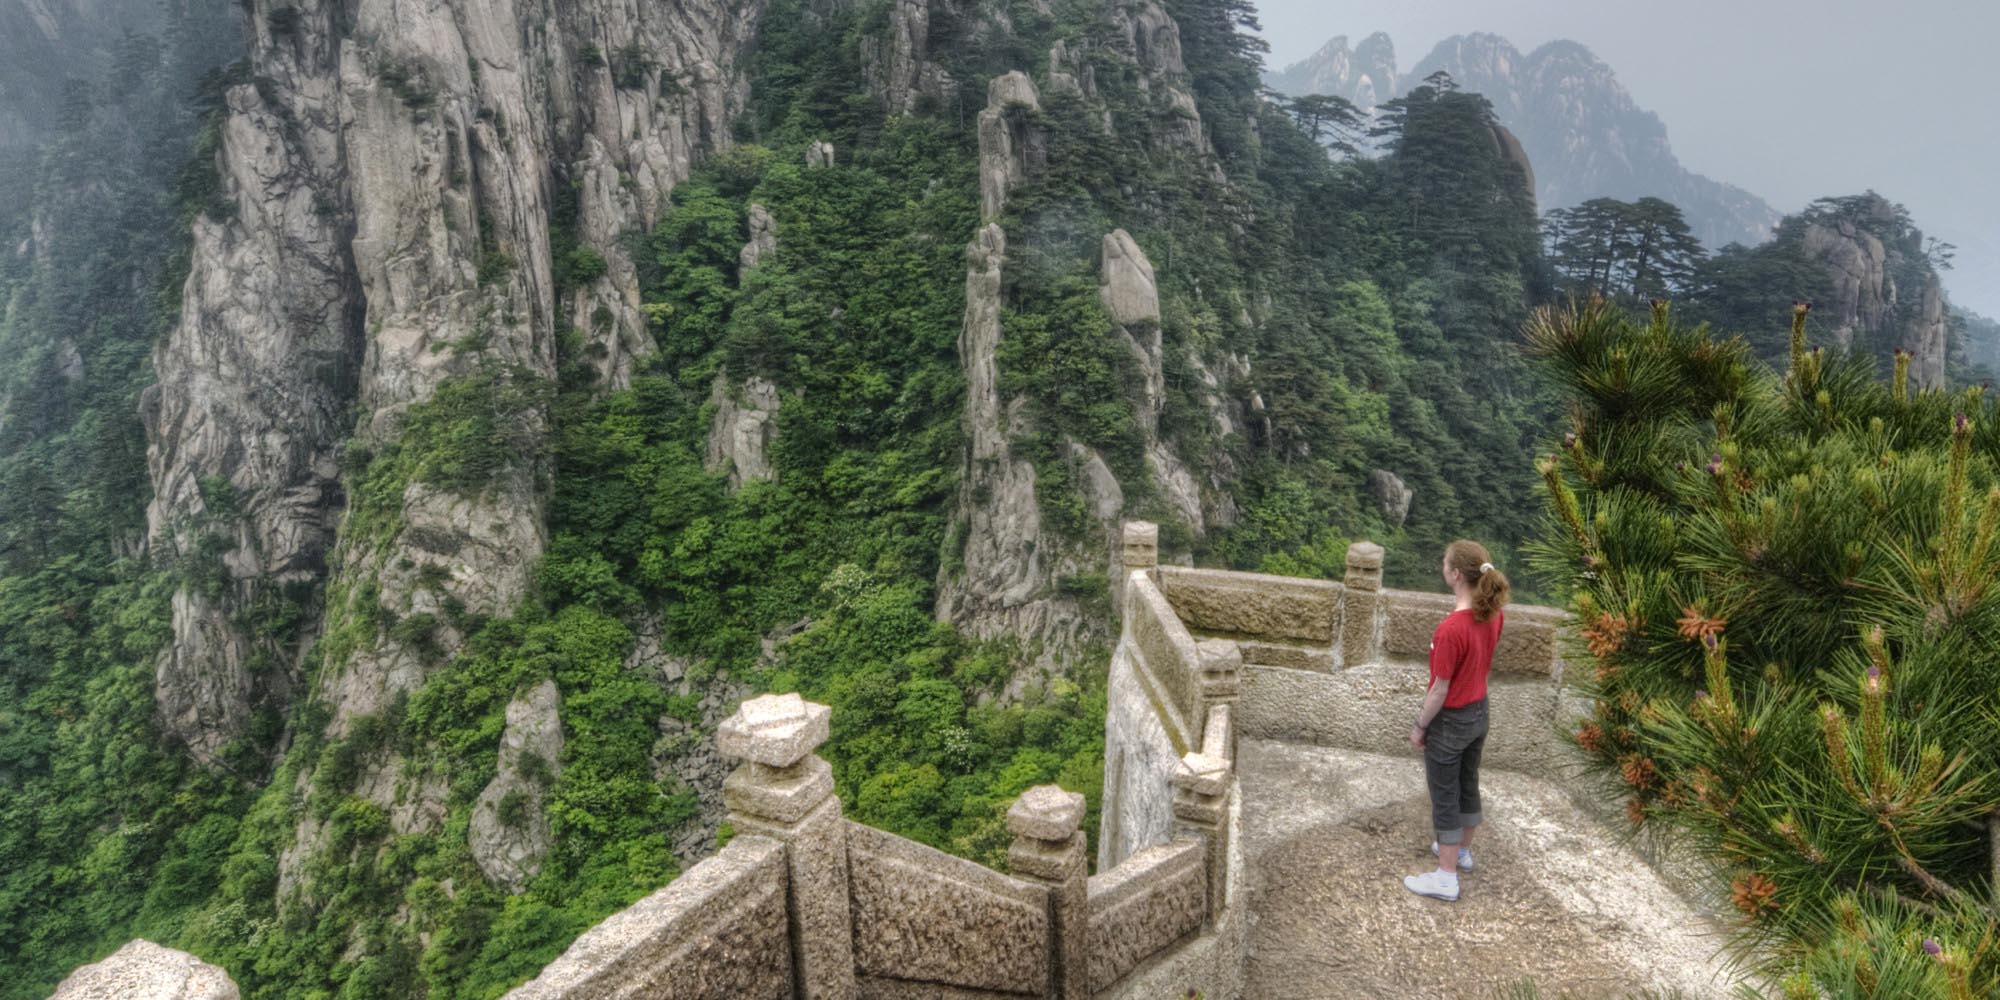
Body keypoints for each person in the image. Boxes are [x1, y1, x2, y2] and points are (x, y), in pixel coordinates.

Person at [1402, 540, 1509, 903]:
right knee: (1468, 781)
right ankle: (1462, 852)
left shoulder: (1450, 630)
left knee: (1444, 795)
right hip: (1480, 711)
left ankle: (1446, 877)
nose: (1441, 567)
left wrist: (1420, 727)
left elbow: (1439, 689)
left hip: (1451, 720)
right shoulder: (1494, 614)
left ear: (1456, 575)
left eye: (1445, 563)